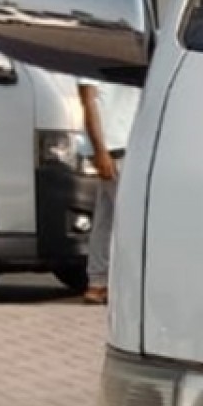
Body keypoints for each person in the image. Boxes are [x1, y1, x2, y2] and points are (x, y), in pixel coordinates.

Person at [78, 77, 139, 304]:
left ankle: (98, 282)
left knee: (106, 217)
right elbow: (88, 101)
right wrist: (100, 151)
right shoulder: (92, 65)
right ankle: (127, 283)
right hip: (115, 148)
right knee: (130, 219)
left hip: (124, 144)